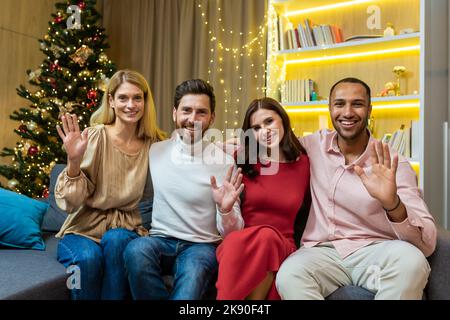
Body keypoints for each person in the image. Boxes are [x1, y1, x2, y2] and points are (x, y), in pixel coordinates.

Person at [276, 77, 437, 300]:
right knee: (289, 275)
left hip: (376, 251)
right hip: (321, 253)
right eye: (340, 104)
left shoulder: (393, 163)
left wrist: (392, 204)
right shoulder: (312, 146)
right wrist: (214, 147)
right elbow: (262, 146)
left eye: (357, 104)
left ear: (370, 110)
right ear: (330, 108)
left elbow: (427, 243)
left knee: (412, 262)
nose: (348, 112)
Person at [123, 79, 245, 300]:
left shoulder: (224, 162)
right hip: (160, 240)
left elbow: (234, 233)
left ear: (212, 118)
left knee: (189, 288)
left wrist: (225, 209)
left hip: (201, 246)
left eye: (201, 112)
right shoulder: (154, 151)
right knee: (135, 250)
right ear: (174, 113)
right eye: (186, 110)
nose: (192, 119)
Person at [54, 70, 166, 300]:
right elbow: (70, 204)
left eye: (137, 98)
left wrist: (220, 146)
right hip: (83, 230)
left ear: (145, 102)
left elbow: (187, 151)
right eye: (123, 98)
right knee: (87, 259)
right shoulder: (95, 137)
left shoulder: (154, 143)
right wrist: (74, 162)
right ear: (111, 101)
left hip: (125, 229)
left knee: (116, 240)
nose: (131, 105)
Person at [215, 97, 310, 300]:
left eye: (269, 122)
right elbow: (206, 148)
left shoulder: (305, 164)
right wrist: (225, 208)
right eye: (256, 128)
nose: (264, 131)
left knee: (266, 237)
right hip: (242, 246)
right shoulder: (243, 161)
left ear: (283, 119)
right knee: (244, 241)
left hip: (282, 245)